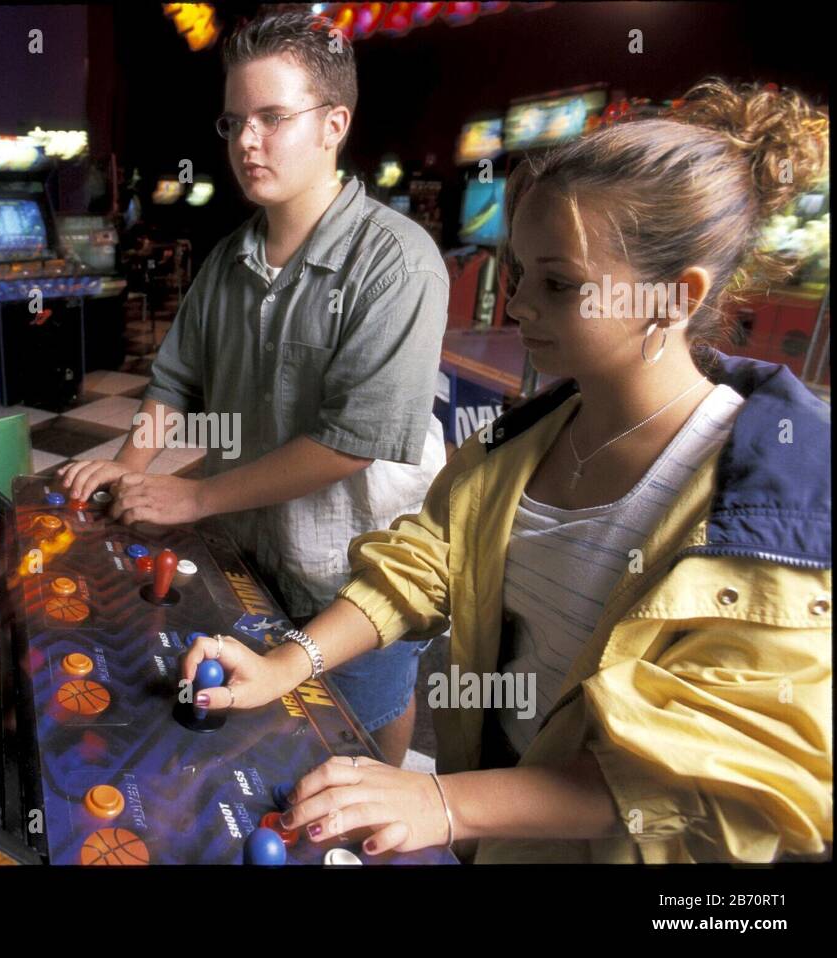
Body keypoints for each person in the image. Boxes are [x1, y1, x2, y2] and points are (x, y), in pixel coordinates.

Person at [181, 79, 832, 863]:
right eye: (519, 274)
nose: (517, 305)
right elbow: (424, 566)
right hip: (500, 840)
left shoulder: (778, 507)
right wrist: (285, 664)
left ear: (676, 296)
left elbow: (708, 774)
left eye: (559, 284)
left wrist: (444, 801)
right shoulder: (518, 444)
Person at [60, 12, 449, 766]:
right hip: (249, 554)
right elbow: (174, 379)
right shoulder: (228, 257)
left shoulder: (399, 262)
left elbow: (354, 442)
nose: (246, 141)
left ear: (334, 124)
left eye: (273, 118)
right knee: (271, 742)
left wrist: (195, 497)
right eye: (236, 120)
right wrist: (130, 470)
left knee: (360, 728)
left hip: (357, 576)